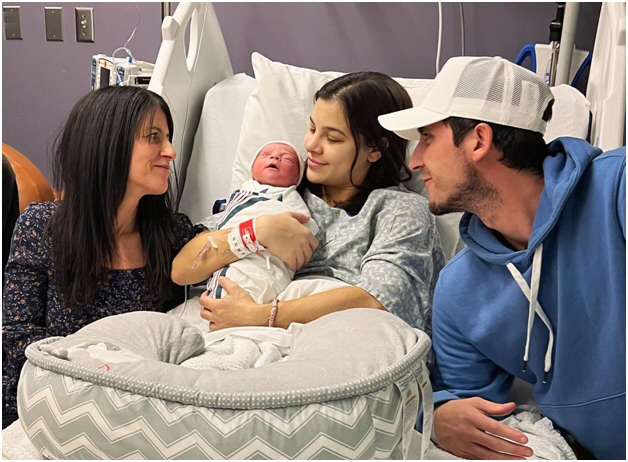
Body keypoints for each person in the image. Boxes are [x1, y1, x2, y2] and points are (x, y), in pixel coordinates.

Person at [379, 56, 626, 460]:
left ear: (478, 140)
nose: (414, 161)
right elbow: (467, 401)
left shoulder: (617, 187)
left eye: (427, 138)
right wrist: (440, 416)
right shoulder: (459, 289)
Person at [172, 71, 446, 333]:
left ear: (375, 149)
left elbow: (382, 300)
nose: (311, 145)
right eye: (312, 128)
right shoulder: (279, 189)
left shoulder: (399, 210)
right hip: (231, 325)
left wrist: (256, 316)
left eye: (332, 138)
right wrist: (256, 231)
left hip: (337, 338)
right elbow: (183, 270)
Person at [2, 86, 196, 429]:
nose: (171, 152)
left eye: (168, 138)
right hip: (42, 405)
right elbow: (17, 340)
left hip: (132, 411)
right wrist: (100, 375)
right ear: (108, 144)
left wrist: (255, 231)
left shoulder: (171, 236)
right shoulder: (42, 228)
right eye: (154, 137)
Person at [195, 140, 318, 303]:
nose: (275, 157)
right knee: (224, 283)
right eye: (266, 155)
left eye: (287, 159)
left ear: (297, 178)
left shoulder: (289, 196)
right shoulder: (241, 192)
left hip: (265, 260)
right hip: (229, 252)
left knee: (252, 285)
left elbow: (305, 228)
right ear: (252, 170)